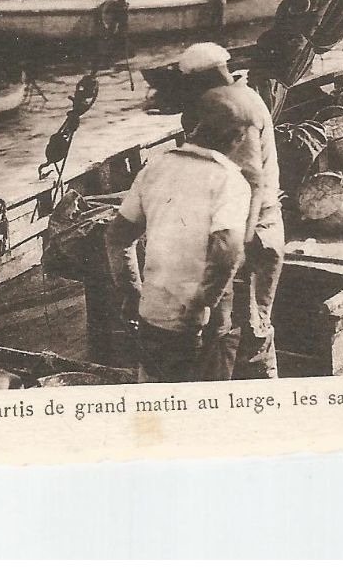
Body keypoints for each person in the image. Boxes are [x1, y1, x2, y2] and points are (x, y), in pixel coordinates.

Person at [103, 112, 251, 382]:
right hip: (198, 324)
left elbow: (117, 236)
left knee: (156, 398)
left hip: (153, 317)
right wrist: (203, 302)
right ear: (236, 139)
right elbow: (227, 250)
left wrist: (133, 291)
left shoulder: (156, 166)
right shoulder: (230, 181)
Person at [176, 42, 286, 379]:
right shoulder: (234, 100)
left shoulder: (236, 108)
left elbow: (252, 180)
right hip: (238, 230)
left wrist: (244, 243)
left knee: (248, 332)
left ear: (203, 79)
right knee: (231, 332)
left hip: (251, 233)